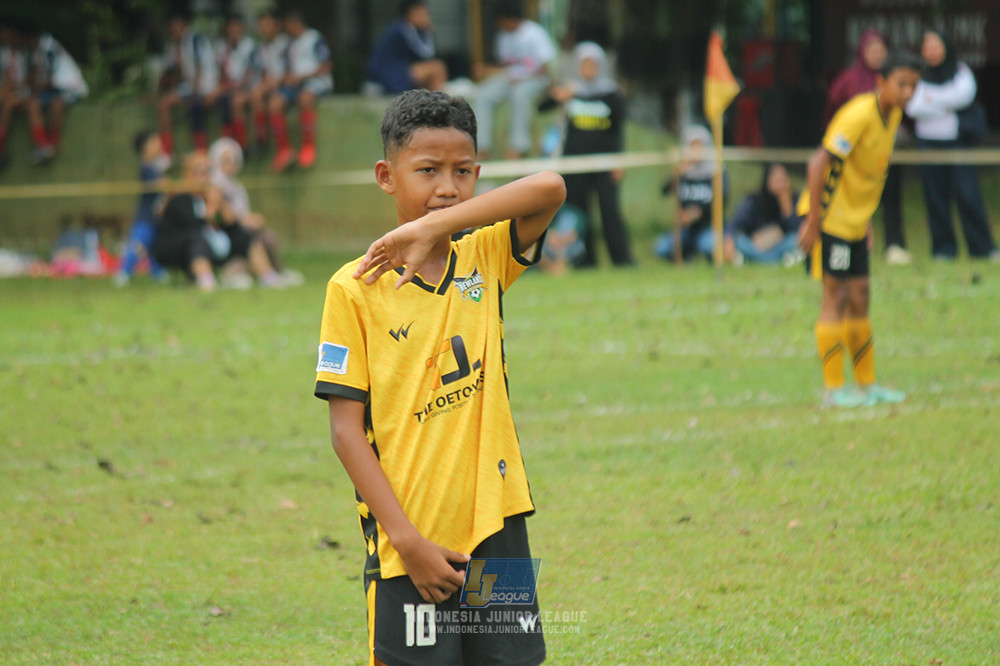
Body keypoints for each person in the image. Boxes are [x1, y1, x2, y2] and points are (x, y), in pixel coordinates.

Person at [315, 89, 564, 665]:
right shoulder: (353, 288)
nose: (447, 187)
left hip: (496, 526)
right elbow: (346, 433)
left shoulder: (484, 255)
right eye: (427, 171)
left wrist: (440, 225)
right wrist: (406, 541)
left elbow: (550, 186)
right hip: (413, 540)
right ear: (386, 175)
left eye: (463, 172)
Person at [796, 52, 921, 408]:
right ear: (880, 82)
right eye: (901, 84)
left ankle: (867, 384)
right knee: (835, 296)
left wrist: (865, 219)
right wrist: (813, 221)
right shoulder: (858, 115)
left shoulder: (893, 115)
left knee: (862, 294)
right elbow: (819, 163)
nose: (908, 92)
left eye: (913, 85)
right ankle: (834, 389)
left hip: (854, 222)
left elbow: (866, 171)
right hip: (830, 218)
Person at [906, 28, 998, 261]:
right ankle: (943, 250)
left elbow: (964, 96)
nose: (932, 51)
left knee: (968, 195)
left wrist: (933, 100)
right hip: (928, 144)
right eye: (927, 46)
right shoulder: (918, 75)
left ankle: (983, 248)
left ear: (946, 47)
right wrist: (945, 103)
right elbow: (913, 106)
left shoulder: (961, 71)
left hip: (957, 143)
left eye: (936, 45)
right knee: (935, 197)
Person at [541, 41, 632, 268]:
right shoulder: (572, 91)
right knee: (580, 213)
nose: (588, 69)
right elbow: (542, 107)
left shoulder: (610, 93)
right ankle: (585, 261)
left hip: (605, 162)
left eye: (592, 64)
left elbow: (618, 130)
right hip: (575, 163)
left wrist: (619, 161)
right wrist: (558, 96)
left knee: (609, 211)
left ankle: (622, 260)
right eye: (584, 64)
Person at [826, 29, 911, 265]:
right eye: (871, 50)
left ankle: (894, 245)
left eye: (880, 50)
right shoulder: (850, 87)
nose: (876, 54)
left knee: (890, 197)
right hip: (852, 161)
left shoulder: (895, 104)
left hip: (882, 158)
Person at [208, 137, 303, 287]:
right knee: (254, 240)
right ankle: (268, 276)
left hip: (238, 229)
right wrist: (245, 219)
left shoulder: (235, 185)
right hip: (223, 232)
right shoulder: (214, 184)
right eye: (226, 160)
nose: (231, 164)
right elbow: (225, 217)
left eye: (234, 159)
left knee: (268, 237)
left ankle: (277, 271)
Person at [473, 0, 556, 160]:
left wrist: (522, 76)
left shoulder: (534, 32)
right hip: (510, 78)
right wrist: (489, 70)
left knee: (520, 95)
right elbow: (508, 65)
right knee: (482, 95)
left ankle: (518, 147)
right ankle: (482, 147)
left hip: (535, 79)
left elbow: (545, 67)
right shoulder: (504, 36)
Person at [654, 125, 733, 263]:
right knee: (661, 248)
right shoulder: (684, 171)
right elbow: (664, 191)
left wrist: (696, 213)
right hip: (686, 229)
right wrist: (676, 174)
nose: (696, 151)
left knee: (709, 246)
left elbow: (722, 199)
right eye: (692, 146)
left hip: (708, 226)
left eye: (699, 146)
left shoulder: (716, 169)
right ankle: (687, 257)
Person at [269, 11, 332, 172]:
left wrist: (302, 76)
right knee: (275, 103)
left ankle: (308, 146)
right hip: (296, 84)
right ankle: (284, 149)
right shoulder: (289, 44)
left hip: (317, 82)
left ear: (295, 22)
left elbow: (325, 66)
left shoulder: (314, 38)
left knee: (305, 99)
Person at [21, 23, 88, 165]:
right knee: (33, 104)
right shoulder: (31, 51)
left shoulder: (49, 48)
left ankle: (52, 144)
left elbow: (49, 79)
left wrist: (34, 85)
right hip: (50, 90)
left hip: (67, 88)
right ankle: (42, 144)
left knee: (57, 105)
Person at [113, 131, 171, 287]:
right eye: (154, 142)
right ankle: (124, 272)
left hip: (157, 216)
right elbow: (162, 185)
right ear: (145, 147)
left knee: (153, 244)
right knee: (138, 243)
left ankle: (158, 272)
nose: (159, 145)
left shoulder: (157, 167)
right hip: (145, 217)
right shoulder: (147, 168)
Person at [157, 11, 218, 155]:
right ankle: (167, 153)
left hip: (205, 86)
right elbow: (173, 71)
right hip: (191, 87)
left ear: (184, 25)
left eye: (176, 26)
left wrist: (196, 93)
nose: (174, 30)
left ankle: (201, 151)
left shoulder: (195, 39)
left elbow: (200, 65)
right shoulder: (176, 44)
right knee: (164, 104)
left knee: (195, 107)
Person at [727, 163, 804, 265]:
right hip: (756, 245)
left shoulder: (795, 199)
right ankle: (777, 260)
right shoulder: (755, 201)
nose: (781, 184)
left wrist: (787, 209)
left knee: (795, 240)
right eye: (777, 181)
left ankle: (754, 260)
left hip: (782, 244)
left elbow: (798, 229)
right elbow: (735, 224)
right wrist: (729, 240)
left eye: (783, 180)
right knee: (740, 242)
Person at [365, 0, 447, 95]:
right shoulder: (403, 29)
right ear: (413, 12)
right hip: (388, 75)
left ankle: (433, 99)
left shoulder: (408, 29)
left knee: (432, 69)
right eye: (424, 13)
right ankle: (439, 100)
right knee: (437, 67)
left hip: (398, 71)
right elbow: (426, 52)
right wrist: (428, 32)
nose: (427, 17)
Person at [212, 13, 259, 150]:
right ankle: (227, 144)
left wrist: (234, 88)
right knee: (218, 102)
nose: (233, 31)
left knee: (236, 101)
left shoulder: (250, 45)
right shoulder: (222, 48)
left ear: (242, 28)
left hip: (247, 88)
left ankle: (243, 144)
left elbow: (250, 73)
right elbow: (221, 71)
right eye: (230, 28)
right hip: (229, 88)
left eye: (236, 28)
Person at [249, 9, 288, 154]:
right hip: (270, 85)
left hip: (287, 85)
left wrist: (278, 81)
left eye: (267, 24)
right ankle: (261, 139)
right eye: (261, 25)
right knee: (255, 94)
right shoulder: (262, 47)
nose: (263, 28)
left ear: (276, 25)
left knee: (273, 103)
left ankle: (283, 148)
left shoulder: (286, 44)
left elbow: (292, 69)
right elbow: (262, 70)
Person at [0, 19, 29, 170]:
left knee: (8, 102)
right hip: (9, 91)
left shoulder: (26, 52)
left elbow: (29, 79)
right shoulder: (4, 53)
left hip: (25, 92)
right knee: (5, 100)